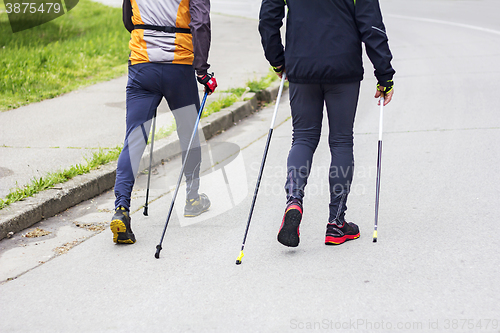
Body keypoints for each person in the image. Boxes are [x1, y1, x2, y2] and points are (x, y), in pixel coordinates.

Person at [259, 0, 395, 247]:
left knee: (303, 137)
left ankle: (294, 200)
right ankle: (336, 223)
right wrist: (384, 74)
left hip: (302, 65)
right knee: (341, 141)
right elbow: (371, 25)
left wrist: (278, 59)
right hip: (343, 67)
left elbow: (268, 19)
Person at [110, 0, 217, 244]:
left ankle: (121, 209)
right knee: (189, 132)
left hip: (141, 66)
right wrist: (201, 69)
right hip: (178, 68)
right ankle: (192, 199)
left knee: (134, 139)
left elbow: (129, 19)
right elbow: (201, 22)